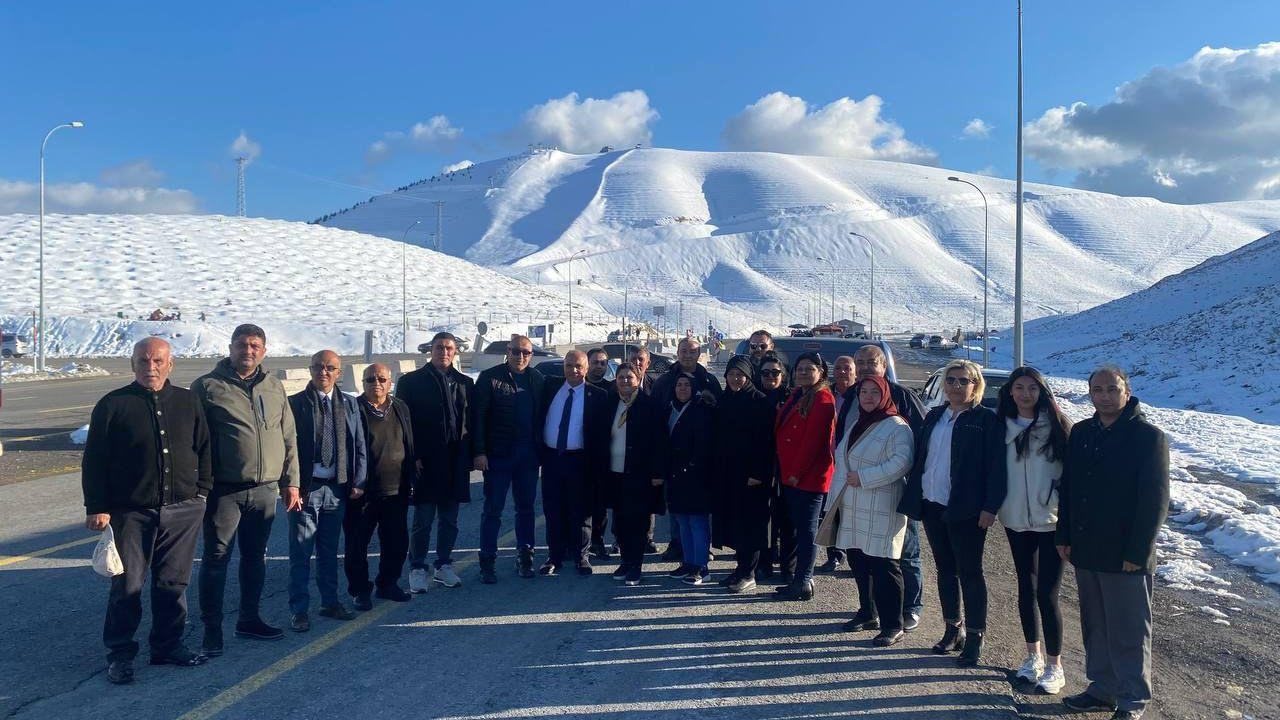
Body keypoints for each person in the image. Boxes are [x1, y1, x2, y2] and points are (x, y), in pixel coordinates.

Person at [82, 338, 212, 683]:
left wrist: (202, 492)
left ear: (170, 364)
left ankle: (167, 646)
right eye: (143, 361)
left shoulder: (188, 401)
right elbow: (94, 461)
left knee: (173, 582)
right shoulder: (112, 405)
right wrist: (97, 507)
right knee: (127, 586)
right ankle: (121, 654)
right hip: (131, 514)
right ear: (133, 364)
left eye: (157, 361)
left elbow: (204, 448)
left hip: (183, 509)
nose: (150, 367)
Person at [1058, 366, 1168, 720]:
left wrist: (1139, 552)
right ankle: (1102, 689)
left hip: (1126, 554)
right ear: (1090, 393)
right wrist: (1064, 535)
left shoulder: (1147, 437)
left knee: (1129, 629)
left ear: (1127, 390)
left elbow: (1154, 501)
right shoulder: (1082, 431)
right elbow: (1070, 488)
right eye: (1097, 389)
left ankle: (1132, 698)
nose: (1104, 396)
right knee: (1096, 624)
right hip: (1087, 548)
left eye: (1111, 389)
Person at [194, 323, 301, 656]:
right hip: (223, 491)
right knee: (216, 559)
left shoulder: (273, 387)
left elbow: (288, 436)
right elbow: (193, 442)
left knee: (255, 558)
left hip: (265, 490)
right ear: (230, 348)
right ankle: (212, 629)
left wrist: (291, 481)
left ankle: (249, 619)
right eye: (242, 344)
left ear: (264, 351)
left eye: (255, 345)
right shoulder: (207, 387)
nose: (248, 350)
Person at [899, 359, 1006, 667]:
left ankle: (975, 637)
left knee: (970, 573)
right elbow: (923, 458)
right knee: (945, 571)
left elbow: (997, 469)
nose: (957, 386)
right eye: (952, 380)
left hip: (967, 510)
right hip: (933, 504)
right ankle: (952, 630)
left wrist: (990, 507)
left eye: (964, 381)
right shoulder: (934, 417)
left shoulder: (986, 420)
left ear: (976, 385)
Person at [818, 375, 914, 646]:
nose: (868, 397)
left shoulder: (896, 426)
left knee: (885, 565)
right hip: (852, 504)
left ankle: (893, 623)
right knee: (859, 561)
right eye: (864, 392)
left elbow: (902, 462)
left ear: (884, 394)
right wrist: (833, 504)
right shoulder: (858, 424)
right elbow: (841, 464)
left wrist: (865, 477)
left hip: (881, 505)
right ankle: (867, 612)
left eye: (874, 392)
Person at [997, 366, 1073, 694]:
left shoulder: (1058, 426)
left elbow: (1072, 478)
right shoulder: (1000, 427)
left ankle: (1056, 665)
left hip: (1051, 521)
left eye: (1032, 388)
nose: (1025, 394)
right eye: (1019, 388)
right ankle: (1033, 656)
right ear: (1010, 392)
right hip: (1015, 519)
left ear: (1041, 391)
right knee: (1025, 589)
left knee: (1047, 593)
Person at [842, 344, 928, 631]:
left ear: (883, 366)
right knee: (862, 555)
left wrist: (914, 488)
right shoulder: (852, 398)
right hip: (855, 495)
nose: (865, 367)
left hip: (892, 494)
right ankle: (871, 610)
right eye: (861, 362)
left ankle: (909, 609)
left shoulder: (902, 399)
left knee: (901, 554)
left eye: (871, 362)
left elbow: (915, 447)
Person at [286, 350, 367, 630]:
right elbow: (288, 449)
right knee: (300, 552)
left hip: (337, 488)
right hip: (306, 489)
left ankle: (329, 602)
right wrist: (290, 484)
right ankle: (299, 610)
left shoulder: (349, 403)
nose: (324, 372)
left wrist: (358, 481)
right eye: (319, 367)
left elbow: (359, 444)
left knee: (329, 551)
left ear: (339, 373)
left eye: (330, 368)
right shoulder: (295, 403)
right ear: (310, 370)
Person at [397, 332, 474, 595]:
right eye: (439, 347)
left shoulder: (464, 383)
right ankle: (418, 567)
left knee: (449, 519)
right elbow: (403, 424)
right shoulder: (411, 382)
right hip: (426, 462)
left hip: (455, 462)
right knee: (423, 519)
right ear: (430, 350)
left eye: (449, 348)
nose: (444, 352)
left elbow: (470, 423)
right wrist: (412, 455)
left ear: (455, 352)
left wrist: (473, 455)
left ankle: (443, 564)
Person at [473, 335, 547, 583]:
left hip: (528, 457)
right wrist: (480, 452)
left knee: (525, 508)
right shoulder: (490, 378)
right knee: (492, 509)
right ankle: (487, 560)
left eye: (526, 353)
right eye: (516, 352)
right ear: (508, 351)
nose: (521, 357)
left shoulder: (537, 379)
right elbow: (478, 417)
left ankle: (525, 557)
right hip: (498, 456)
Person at [346, 363, 416, 607]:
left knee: (396, 541)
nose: (376, 383)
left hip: (396, 488)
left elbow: (409, 441)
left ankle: (388, 583)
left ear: (390, 382)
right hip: (362, 491)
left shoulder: (400, 407)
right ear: (362, 383)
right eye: (370, 379)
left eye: (382, 379)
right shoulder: (353, 409)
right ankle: (360, 590)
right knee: (357, 544)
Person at [652, 337, 722, 561]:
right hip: (671, 453)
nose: (687, 355)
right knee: (677, 506)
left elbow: (718, 415)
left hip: (700, 455)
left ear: (699, 353)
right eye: (683, 351)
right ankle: (677, 544)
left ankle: (701, 548)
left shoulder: (709, 381)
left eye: (692, 351)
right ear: (678, 352)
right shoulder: (664, 381)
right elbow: (654, 412)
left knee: (699, 508)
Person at [539, 350, 609, 575]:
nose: (574, 370)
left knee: (581, 511)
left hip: (581, 461)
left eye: (578, 366)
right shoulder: (550, 388)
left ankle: (581, 556)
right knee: (553, 509)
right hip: (552, 459)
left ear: (586, 368)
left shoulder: (597, 396)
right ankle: (554, 556)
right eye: (569, 365)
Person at [773, 352, 836, 601]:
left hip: (807, 477)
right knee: (799, 528)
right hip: (791, 474)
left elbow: (814, 442)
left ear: (821, 372)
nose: (803, 373)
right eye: (799, 369)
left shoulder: (822, 398)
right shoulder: (799, 394)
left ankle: (804, 580)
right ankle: (799, 579)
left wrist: (796, 473)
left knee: (807, 531)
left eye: (809, 369)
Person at [711, 355, 774, 593]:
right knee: (735, 525)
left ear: (748, 377)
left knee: (750, 526)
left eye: (740, 375)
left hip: (751, 477)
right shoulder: (725, 400)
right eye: (731, 374)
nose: (735, 379)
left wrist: (758, 473)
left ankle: (749, 573)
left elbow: (766, 443)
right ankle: (740, 569)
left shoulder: (759, 402)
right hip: (729, 474)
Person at [602, 364, 664, 585]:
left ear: (638, 380)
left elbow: (658, 441)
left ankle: (636, 565)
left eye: (629, 377)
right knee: (620, 521)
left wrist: (657, 472)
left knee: (637, 522)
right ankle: (625, 561)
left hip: (639, 473)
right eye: (620, 377)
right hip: (614, 473)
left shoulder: (648, 406)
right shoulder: (611, 403)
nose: (625, 381)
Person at [660, 373, 716, 585]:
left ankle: (701, 566)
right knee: (682, 521)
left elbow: (704, 444)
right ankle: (688, 561)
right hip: (675, 474)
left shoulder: (702, 409)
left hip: (696, 474)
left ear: (694, 388)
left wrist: (692, 466)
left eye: (686, 385)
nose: (682, 388)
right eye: (679, 384)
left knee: (697, 521)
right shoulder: (670, 408)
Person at [816, 355, 856, 574]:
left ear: (855, 371)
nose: (842, 372)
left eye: (847, 368)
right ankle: (835, 555)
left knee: (853, 511)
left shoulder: (862, 394)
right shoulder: (827, 394)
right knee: (832, 511)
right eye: (838, 367)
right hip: (830, 461)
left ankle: (857, 558)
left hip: (854, 462)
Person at [757, 353, 789, 583]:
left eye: (775, 372)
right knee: (763, 517)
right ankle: (764, 562)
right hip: (762, 464)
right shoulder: (755, 398)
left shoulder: (791, 398)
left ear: (783, 375)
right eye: (766, 372)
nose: (770, 377)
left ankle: (789, 566)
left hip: (786, 464)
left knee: (786, 518)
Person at [584, 348, 614, 558]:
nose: (599, 367)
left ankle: (598, 541)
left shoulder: (611, 390)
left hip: (603, 455)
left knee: (600, 504)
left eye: (603, 363)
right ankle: (576, 543)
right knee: (579, 502)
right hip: (578, 454)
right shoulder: (576, 387)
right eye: (596, 362)